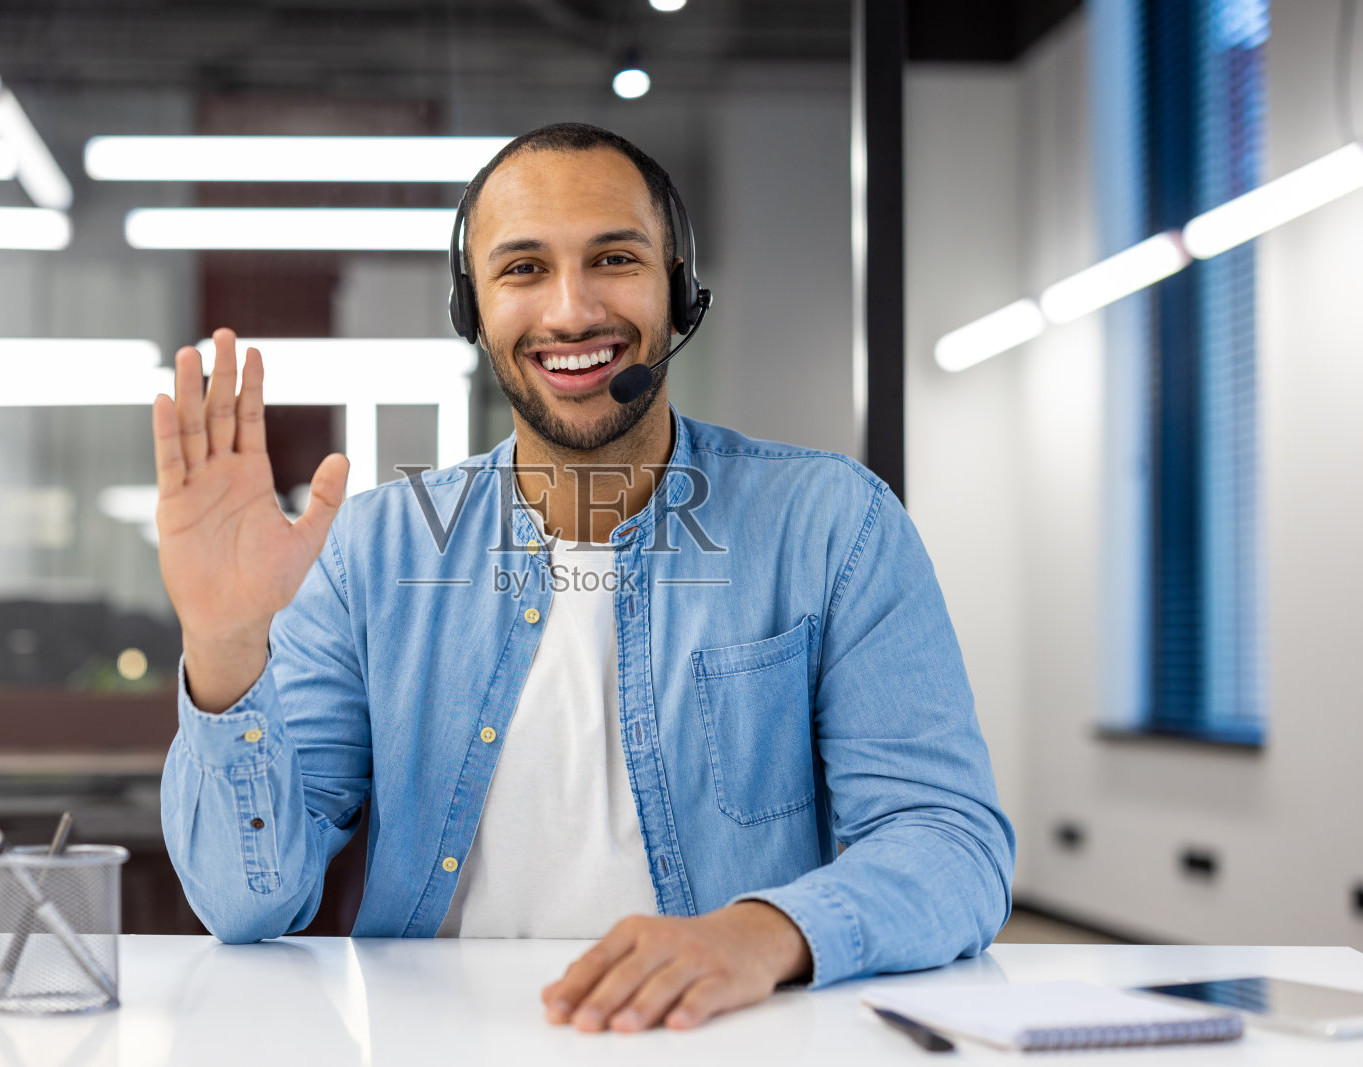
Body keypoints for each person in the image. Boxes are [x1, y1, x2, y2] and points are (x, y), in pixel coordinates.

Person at [156, 123, 1014, 1033]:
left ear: (679, 289)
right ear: (473, 308)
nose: (570, 312)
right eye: (523, 269)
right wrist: (223, 645)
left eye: (613, 258)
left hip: (728, 1040)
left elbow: (950, 843)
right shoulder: (374, 553)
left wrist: (764, 932)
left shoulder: (832, 525)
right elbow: (246, 902)